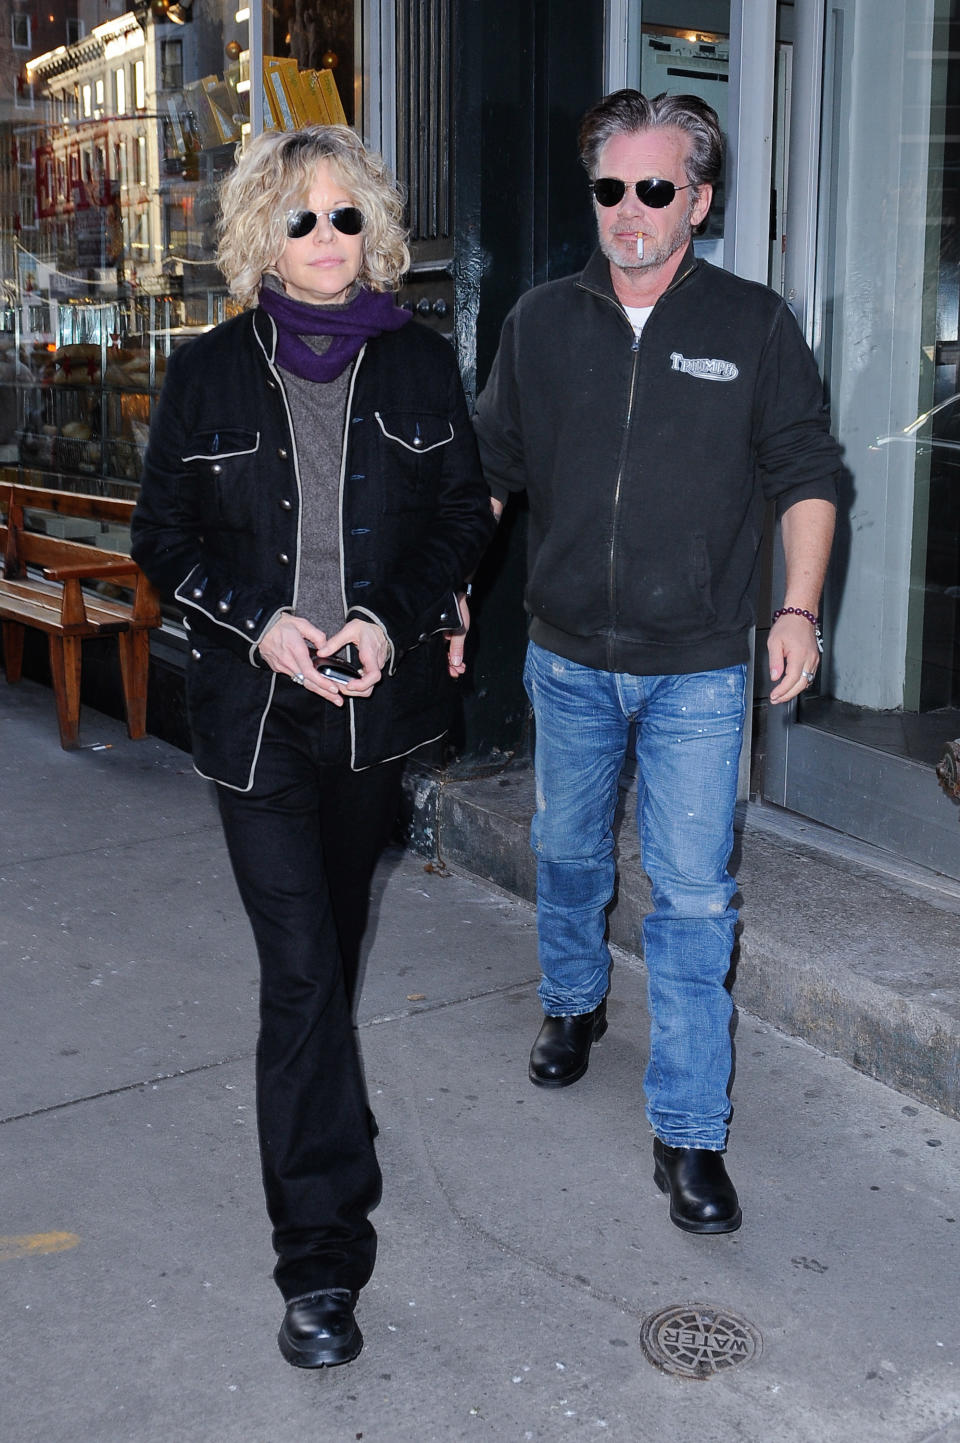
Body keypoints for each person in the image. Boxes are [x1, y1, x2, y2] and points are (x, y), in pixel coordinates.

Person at [131, 125, 496, 1366]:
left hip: (375, 718)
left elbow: (458, 514)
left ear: (376, 230)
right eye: (299, 218)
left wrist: (394, 622)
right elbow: (162, 541)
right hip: (257, 725)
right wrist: (261, 626)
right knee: (298, 975)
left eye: (346, 217)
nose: (327, 239)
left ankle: (326, 1114)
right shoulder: (205, 376)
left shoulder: (423, 367)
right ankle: (321, 1262)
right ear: (260, 235)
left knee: (330, 967)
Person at [473, 90, 840, 1235]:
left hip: (697, 669)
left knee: (693, 901)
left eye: (656, 189)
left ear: (701, 200)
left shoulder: (755, 323)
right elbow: (491, 471)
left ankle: (689, 1135)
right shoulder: (538, 321)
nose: (629, 213)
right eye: (610, 189)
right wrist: (442, 585)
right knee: (569, 852)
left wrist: (798, 609)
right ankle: (573, 1002)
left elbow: (809, 474)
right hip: (567, 655)